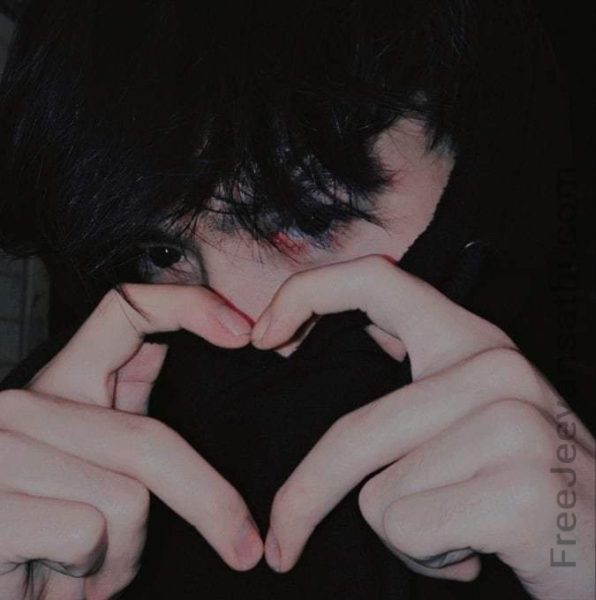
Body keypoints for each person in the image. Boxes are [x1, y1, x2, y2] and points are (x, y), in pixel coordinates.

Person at [0, 1, 593, 599]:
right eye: (162, 252)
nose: (255, 327)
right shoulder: (50, 441)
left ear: (481, 155)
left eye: (310, 218)